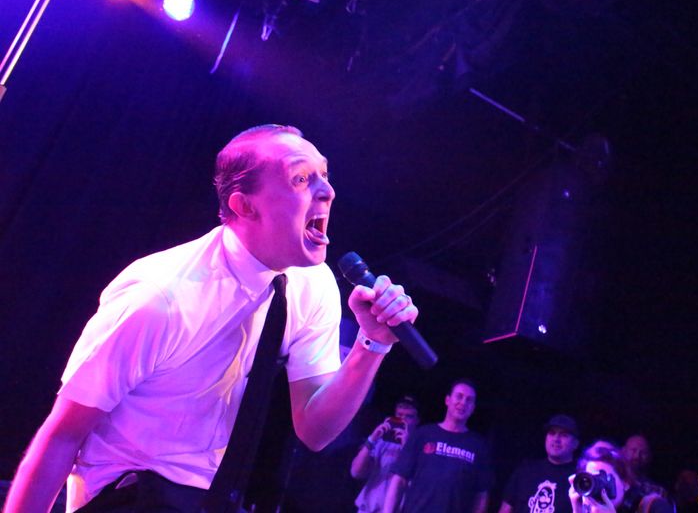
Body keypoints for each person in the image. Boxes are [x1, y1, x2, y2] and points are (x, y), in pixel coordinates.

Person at [4, 124, 419, 512]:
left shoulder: (312, 283)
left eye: (324, 175)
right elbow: (63, 434)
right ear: (244, 205)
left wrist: (372, 344)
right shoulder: (161, 298)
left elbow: (315, 430)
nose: (326, 191)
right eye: (300, 179)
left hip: (214, 497)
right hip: (129, 493)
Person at [383, 379, 492, 513]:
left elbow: (481, 495)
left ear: (473, 408)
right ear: (447, 400)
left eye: (469, 400)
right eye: (459, 396)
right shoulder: (423, 434)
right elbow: (399, 479)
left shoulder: (478, 446)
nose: (463, 402)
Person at [351, 396, 421, 512]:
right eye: (399, 415)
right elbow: (356, 472)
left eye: (408, 416)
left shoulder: (420, 449)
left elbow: (418, 485)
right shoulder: (381, 442)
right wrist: (371, 439)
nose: (403, 420)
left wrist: (406, 448)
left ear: (417, 421)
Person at [498, 414, 580, 513]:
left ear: (575, 443)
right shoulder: (525, 471)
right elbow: (506, 508)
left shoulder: (579, 479)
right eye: (552, 433)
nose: (556, 439)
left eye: (563, 435)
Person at [567, 449, 672, 513]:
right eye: (591, 481)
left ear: (625, 482)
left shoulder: (654, 506)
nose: (598, 488)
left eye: (603, 479)